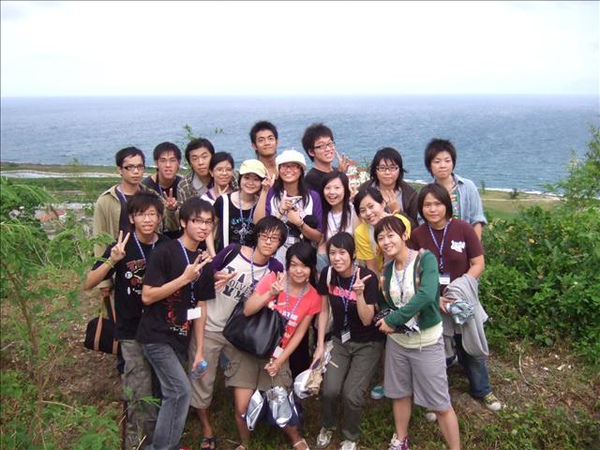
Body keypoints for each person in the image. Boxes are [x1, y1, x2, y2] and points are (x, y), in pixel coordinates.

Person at [188, 216, 287, 450]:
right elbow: (205, 273)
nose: (268, 242)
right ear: (257, 236)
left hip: (241, 333)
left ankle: (252, 420)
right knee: (202, 378)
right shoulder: (232, 251)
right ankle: (206, 427)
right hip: (211, 325)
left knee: (240, 376)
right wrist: (214, 277)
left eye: (275, 238)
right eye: (265, 236)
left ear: (280, 243)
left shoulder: (275, 269)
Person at [84, 192, 169, 450]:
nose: (147, 219)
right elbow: (89, 282)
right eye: (141, 214)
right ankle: (137, 444)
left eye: (152, 214)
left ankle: (159, 441)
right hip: (131, 331)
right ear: (131, 218)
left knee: (163, 389)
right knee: (139, 391)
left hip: (161, 331)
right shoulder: (121, 246)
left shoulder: (167, 246)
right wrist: (112, 260)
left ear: (160, 217)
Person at [411, 183, 501, 418]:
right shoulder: (418, 235)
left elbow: (478, 264)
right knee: (436, 351)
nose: (432, 209)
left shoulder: (463, 229)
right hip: (433, 302)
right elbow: (414, 273)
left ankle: (482, 390)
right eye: (427, 205)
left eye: (437, 204)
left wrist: (457, 291)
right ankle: (435, 399)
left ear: (447, 206)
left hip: (461, 300)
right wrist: (436, 298)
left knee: (469, 344)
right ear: (421, 208)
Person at [374, 215, 461, 450]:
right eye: (380, 238)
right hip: (398, 344)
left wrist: (393, 319)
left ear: (404, 235)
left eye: (391, 235)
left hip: (427, 343)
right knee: (399, 393)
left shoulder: (425, 259)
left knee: (440, 403)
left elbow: (427, 294)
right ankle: (401, 440)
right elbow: (385, 303)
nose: (386, 241)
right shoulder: (387, 270)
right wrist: (383, 316)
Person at [137, 197, 215, 450]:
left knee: (169, 393)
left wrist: (199, 351)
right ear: (183, 222)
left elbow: (201, 307)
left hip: (180, 337)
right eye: (197, 221)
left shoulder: (204, 261)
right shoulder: (165, 251)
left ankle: (164, 443)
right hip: (156, 335)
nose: (203, 227)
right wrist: (184, 278)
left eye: (208, 222)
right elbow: (147, 296)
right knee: (180, 391)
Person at [229, 242, 321, 450]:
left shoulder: (313, 297)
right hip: (249, 348)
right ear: (287, 265)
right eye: (294, 265)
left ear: (311, 268)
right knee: (242, 408)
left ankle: (296, 438)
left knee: (281, 405)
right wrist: (270, 293)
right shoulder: (273, 279)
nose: (298, 271)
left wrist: (280, 361)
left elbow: (300, 334)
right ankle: (245, 443)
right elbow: (247, 310)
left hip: (277, 355)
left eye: (304, 266)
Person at [313, 232, 384, 450]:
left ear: (352, 254)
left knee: (352, 394)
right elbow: (323, 311)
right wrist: (320, 345)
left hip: (368, 343)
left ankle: (351, 436)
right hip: (340, 341)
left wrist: (359, 294)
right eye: (333, 253)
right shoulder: (327, 275)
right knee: (330, 390)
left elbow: (367, 319)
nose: (337, 258)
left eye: (342, 252)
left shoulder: (367, 278)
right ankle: (328, 425)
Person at [92, 146, 152, 374]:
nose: (135, 172)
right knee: (122, 323)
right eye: (130, 167)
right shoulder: (107, 200)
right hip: (118, 267)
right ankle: (126, 369)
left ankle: (147, 370)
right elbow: (100, 239)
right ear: (120, 170)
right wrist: (104, 280)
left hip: (146, 267)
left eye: (139, 167)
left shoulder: (150, 195)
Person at [254, 149, 323, 266]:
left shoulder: (312, 197)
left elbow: (319, 237)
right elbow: (258, 224)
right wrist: (279, 210)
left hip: (303, 258)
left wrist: (299, 223)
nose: (288, 170)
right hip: (273, 256)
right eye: (284, 166)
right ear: (279, 170)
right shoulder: (271, 193)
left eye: (294, 166)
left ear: (301, 170)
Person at [424, 138, 487, 240]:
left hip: (466, 245)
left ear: (453, 162)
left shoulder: (468, 187)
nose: (443, 166)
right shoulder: (426, 192)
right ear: (429, 165)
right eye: (437, 161)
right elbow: (423, 223)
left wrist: (475, 247)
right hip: (437, 246)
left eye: (447, 161)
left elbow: (477, 220)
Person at [353, 186, 412, 276]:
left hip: (406, 269)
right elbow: (372, 267)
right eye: (363, 210)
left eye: (371, 206)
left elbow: (406, 252)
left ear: (382, 204)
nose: (368, 213)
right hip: (381, 275)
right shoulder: (361, 232)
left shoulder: (401, 222)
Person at [213, 159, 267, 253]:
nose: (250, 183)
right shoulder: (223, 201)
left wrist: (265, 191)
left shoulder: (262, 204)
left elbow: (262, 227)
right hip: (224, 257)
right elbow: (210, 228)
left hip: (251, 258)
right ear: (240, 178)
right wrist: (213, 254)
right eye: (246, 178)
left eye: (256, 179)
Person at [361, 147, 419, 225]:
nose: (387, 172)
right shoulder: (364, 189)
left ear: (399, 170)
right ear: (375, 170)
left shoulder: (410, 194)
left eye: (392, 168)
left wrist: (398, 212)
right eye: (382, 168)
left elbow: (415, 227)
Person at [317, 170, 359, 272]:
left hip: (354, 266)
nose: (332, 192)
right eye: (327, 188)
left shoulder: (354, 211)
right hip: (333, 266)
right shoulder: (324, 214)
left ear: (346, 189)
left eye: (337, 188)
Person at [142, 141, 183, 239]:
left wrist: (173, 210)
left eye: (172, 160)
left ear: (179, 163)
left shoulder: (183, 186)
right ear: (156, 163)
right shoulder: (146, 188)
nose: (168, 165)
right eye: (163, 161)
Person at [301, 123, 349, 193]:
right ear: (311, 152)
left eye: (330, 144)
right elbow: (331, 197)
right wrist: (340, 174)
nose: (328, 149)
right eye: (321, 146)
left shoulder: (335, 170)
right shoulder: (311, 178)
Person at [178, 138, 215, 204]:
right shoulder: (184, 185)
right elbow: (182, 210)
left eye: (204, 157)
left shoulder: (227, 175)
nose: (200, 162)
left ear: (213, 157)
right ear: (190, 164)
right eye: (195, 159)